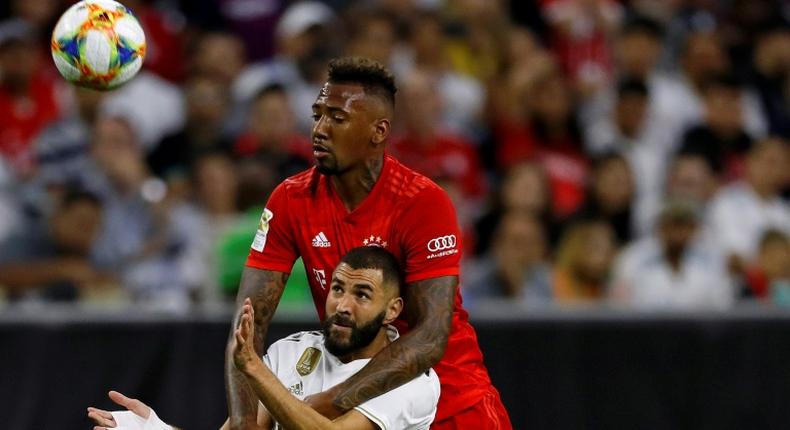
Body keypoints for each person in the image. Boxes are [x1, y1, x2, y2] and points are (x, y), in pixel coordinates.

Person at [227, 57, 511, 429]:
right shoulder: (290, 200)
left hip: (453, 405)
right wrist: (245, 425)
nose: (319, 130)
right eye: (318, 115)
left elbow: (428, 338)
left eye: (337, 118)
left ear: (378, 132)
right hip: (361, 411)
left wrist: (327, 403)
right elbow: (247, 330)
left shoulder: (422, 202)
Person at [87, 246, 441, 430]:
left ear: (393, 309)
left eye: (362, 295)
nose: (343, 305)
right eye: (337, 289)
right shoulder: (292, 351)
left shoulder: (411, 379)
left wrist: (256, 372)